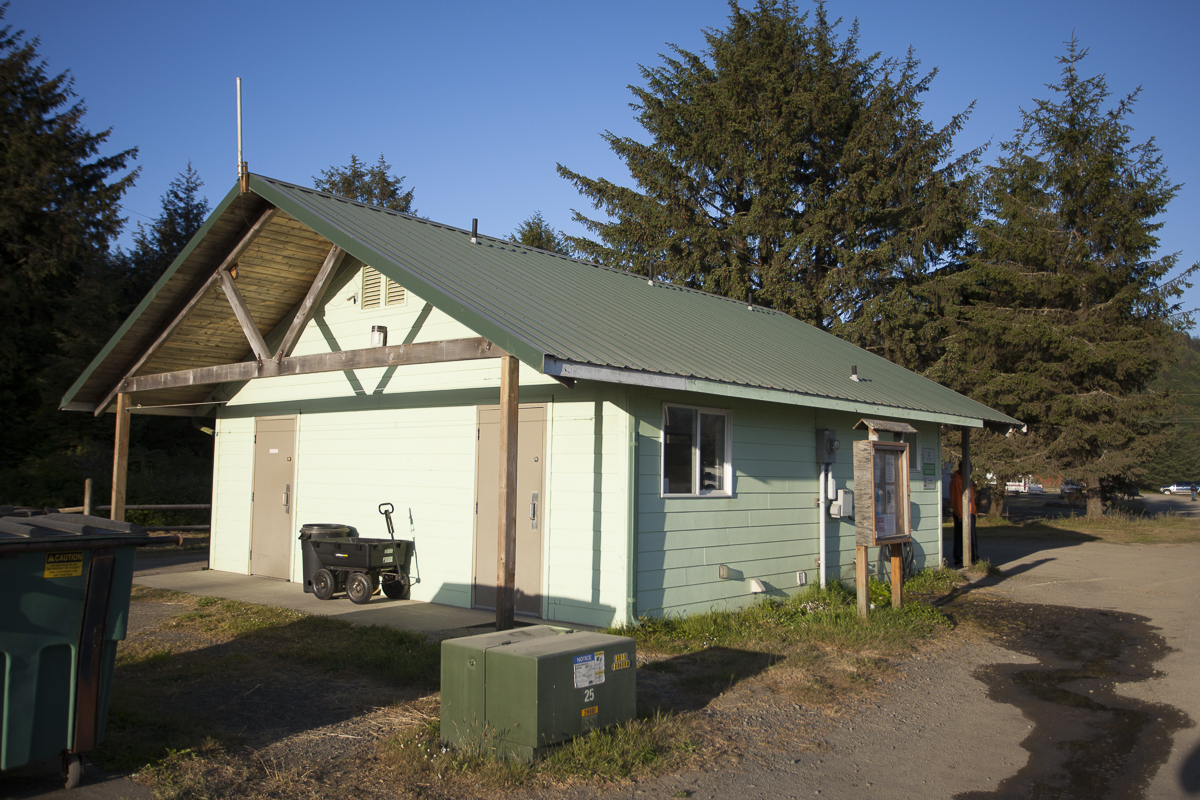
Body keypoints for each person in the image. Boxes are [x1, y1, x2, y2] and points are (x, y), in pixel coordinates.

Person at [949, 462, 977, 568]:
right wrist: (960, 515)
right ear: (963, 468)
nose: (971, 470)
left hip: (970, 512)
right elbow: (956, 500)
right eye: (970, 468)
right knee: (961, 536)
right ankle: (960, 558)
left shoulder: (966, 480)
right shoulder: (957, 481)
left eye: (972, 467)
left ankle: (973, 557)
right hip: (962, 514)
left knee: (972, 537)